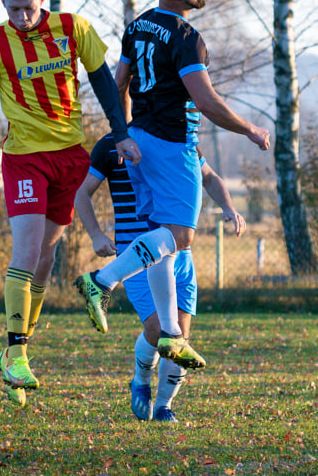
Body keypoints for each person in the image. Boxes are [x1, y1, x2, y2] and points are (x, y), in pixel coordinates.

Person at [73, 0, 270, 370]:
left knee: (161, 239)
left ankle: (170, 335)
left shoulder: (137, 26)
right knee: (180, 238)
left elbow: (119, 82)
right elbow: (207, 102)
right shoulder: (185, 37)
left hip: (141, 141)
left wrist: (123, 134)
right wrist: (250, 129)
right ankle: (101, 280)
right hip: (173, 143)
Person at [0, 0, 139, 407]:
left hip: (70, 156)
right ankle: (19, 354)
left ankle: (14, 349)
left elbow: (103, 81)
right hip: (24, 158)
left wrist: (120, 131)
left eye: (29, 7)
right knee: (25, 251)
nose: (22, 16)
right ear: (3, 4)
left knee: (46, 256)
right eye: (14, 9)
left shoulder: (73, 27)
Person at [75, 132, 245, 422]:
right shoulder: (111, 144)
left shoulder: (177, 136)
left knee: (180, 334)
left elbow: (210, 177)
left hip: (180, 251)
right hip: (135, 254)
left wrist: (228, 207)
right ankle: (141, 379)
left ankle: (164, 406)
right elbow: (82, 194)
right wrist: (95, 234)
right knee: (157, 329)